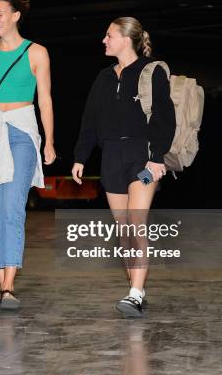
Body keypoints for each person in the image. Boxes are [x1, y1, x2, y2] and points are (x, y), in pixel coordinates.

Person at [72, 17, 176, 318]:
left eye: (109, 36)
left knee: (135, 222)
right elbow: (89, 120)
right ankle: (137, 289)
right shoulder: (103, 77)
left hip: (142, 157)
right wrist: (80, 156)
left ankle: (134, 292)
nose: (104, 41)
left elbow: (164, 117)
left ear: (126, 39)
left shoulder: (152, 71)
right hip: (111, 158)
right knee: (123, 229)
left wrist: (156, 158)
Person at [0, 0, 56, 310]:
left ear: (16, 16)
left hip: (21, 130)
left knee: (13, 207)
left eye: (0, 14)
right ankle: (2, 280)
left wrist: (50, 140)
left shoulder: (37, 52)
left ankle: (8, 286)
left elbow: (45, 99)